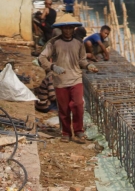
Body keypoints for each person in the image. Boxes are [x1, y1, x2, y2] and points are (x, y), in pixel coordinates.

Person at [38, 15, 98, 143]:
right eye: (65, 28)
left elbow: (82, 60)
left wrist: (88, 65)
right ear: (61, 29)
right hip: (60, 81)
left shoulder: (79, 43)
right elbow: (41, 58)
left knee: (78, 105)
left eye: (70, 28)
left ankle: (79, 131)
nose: (67, 31)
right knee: (64, 109)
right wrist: (53, 67)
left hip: (76, 78)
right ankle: (66, 133)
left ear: (74, 29)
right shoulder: (54, 42)